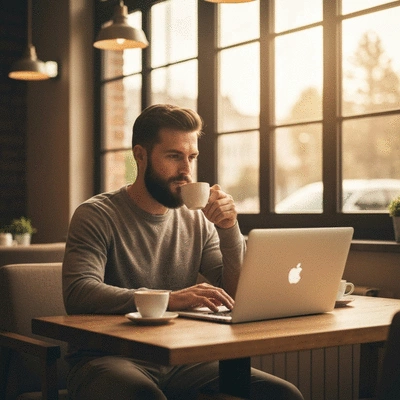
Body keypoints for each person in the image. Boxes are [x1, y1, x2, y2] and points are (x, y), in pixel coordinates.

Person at [62, 104, 304, 400]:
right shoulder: (96, 214)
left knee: (283, 394)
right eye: (174, 156)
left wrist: (229, 228)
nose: (186, 171)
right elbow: (78, 292)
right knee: (142, 395)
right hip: (108, 358)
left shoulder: (197, 219)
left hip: (181, 359)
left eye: (191, 157)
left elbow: (237, 292)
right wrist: (170, 299)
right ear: (140, 155)